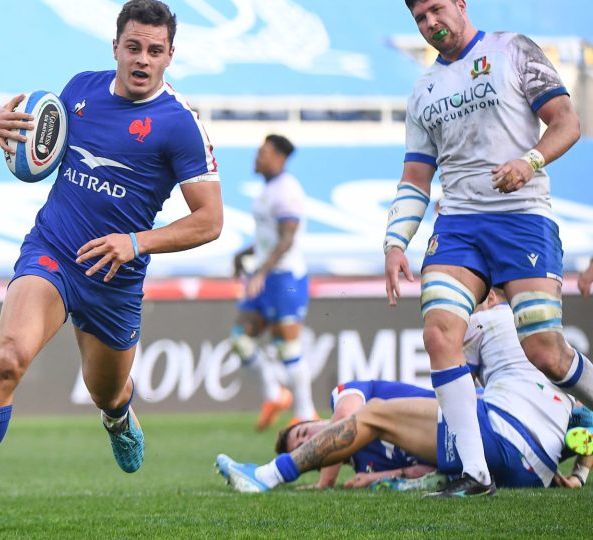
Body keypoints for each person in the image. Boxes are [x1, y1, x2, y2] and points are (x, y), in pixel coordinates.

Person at [0, 1, 223, 537]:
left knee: (106, 392)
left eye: (154, 50)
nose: (142, 59)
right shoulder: (77, 90)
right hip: (52, 251)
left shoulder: (180, 126)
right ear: (116, 46)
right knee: (8, 359)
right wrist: (0, 131)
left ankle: (118, 415)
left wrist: (134, 242)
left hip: (115, 278)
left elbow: (210, 221)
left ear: (171, 55)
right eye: (133, 47)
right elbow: (35, 149)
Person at [383, 0, 590, 497]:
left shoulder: (512, 50)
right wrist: (395, 242)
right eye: (419, 19)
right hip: (458, 224)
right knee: (439, 333)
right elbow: (416, 177)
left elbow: (567, 122)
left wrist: (531, 161)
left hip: (522, 219)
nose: (431, 23)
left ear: (460, 4)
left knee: (544, 350)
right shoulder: (423, 91)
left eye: (436, 9)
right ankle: (474, 474)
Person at [217, 289, 590, 493]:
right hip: (532, 473)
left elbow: (449, 368)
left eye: (464, 294)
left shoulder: (483, 320)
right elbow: (587, 419)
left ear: (489, 296)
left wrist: (324, 480)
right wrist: (579, 475)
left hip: (505, 435)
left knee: (375, 411)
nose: (457, 305)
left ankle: (268, 475)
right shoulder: (546, 347)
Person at [229, 134, 318, 431]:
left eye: (263, 152)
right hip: (266, 274)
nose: (257, 157)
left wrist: (261, 272)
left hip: (285, 278)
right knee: (241, 340)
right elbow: (268, 239)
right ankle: (275, 394)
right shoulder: (269, 189)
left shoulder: (287, 190)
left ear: (279, 157)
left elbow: (288, 238)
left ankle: (305, 413)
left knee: (287, 346)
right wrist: (245, 253)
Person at [274, 380, 438, 490]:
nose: (309, 440)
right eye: (303, 447)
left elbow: (345, 416)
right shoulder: (365, 469)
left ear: (316, 420)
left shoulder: (344, 393)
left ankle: (269, 474)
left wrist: (325, 482)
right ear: (316, 464)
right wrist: (375, 477)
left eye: (303, 432)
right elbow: (430, 473)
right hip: (452, 459)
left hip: (446, 418)